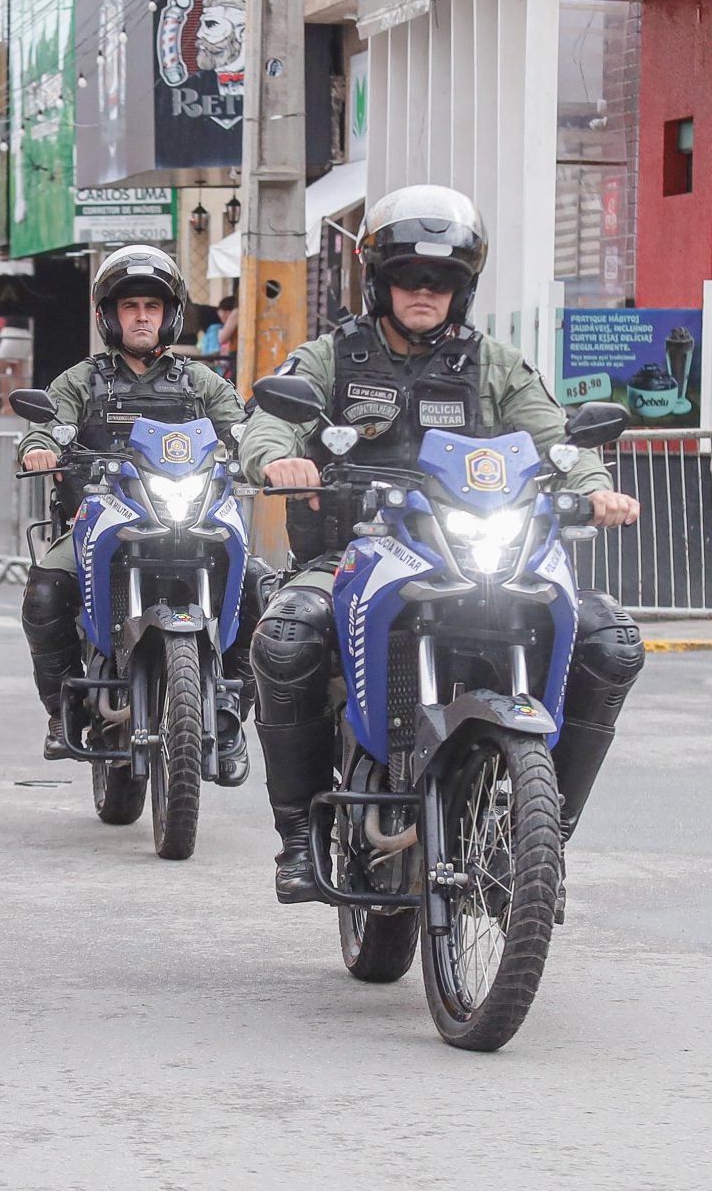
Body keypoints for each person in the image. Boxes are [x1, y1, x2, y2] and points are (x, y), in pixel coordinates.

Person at [239, 184, 645, 905]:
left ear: (462, 289)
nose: (423, 291)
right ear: (379, 282)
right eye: (407, 277)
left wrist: (595, 485)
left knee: (610, 639)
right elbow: (271, 420)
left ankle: (542, 841)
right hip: (355, 552)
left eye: (440, 279)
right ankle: (299, 836)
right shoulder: (332, 357)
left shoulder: (494, 365)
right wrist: (277, 458)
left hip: (479, 549)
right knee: (287, 635)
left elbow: (559, 440)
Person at [17, 244, 260, 783]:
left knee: (259, 587)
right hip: (103, 517)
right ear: (109, 316)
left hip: (192, 514)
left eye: (153, 306)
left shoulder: (199, 382)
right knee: (45, 590)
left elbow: (243, 427)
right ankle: (63, 708)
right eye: (130, 307)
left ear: (170, 314)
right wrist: (40, 447)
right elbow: (47, 424)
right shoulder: (83, 380)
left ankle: (229, 713)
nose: (142, 317)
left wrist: (264, 452)